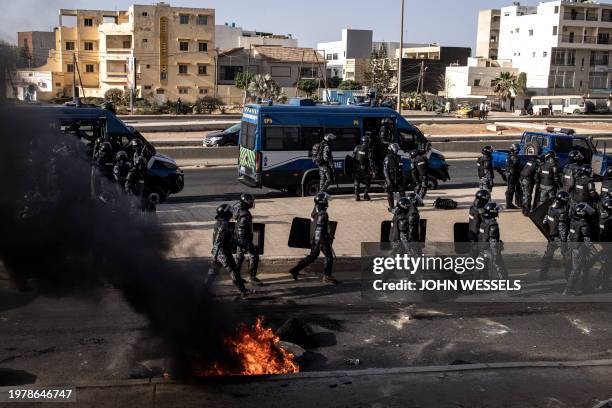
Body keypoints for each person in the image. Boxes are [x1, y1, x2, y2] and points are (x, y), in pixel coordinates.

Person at [289, 192, 337, 284]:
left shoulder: (315, 210)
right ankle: (327, 277)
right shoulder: (323, 214)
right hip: (320, 239)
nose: (327, 202)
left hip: (315, 238)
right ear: (323, 202)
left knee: (313, 256)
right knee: (329, 257)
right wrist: (323, 241)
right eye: (326, 200)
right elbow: (319, 229)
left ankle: (295, 270)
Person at [206, 204, 248, 297]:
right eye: (229, 212)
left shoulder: (219, 222)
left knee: (213, 272)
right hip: (222, 252)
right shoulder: (224, 224)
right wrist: (215, 254)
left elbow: (230, 238)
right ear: (225, 214)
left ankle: (204, 290)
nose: (231, 213)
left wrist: (240, 244)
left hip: (218, 252)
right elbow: (218, 241)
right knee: (234, 271)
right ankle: (243, 293)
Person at [538, 191, 571, 280]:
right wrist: (564, 242)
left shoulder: (550, 209)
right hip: (559, 238)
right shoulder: (562, 212)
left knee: (548, 255)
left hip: (551, 236)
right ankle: (569, 278)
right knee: (567, 257)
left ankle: (543, 274)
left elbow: (544, 222)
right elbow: (562, 228)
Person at [565, 203, 596, 295]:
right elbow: (587, 241)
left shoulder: (573, 221)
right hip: (580, 249)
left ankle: (586, 287)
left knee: (584, 268)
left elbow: (569, 237)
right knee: (576, 269)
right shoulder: (583, 224)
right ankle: (568, 289)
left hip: (574, 247)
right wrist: (595, 252)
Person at [234, 193, 262, 287]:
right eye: (250, 201)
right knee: (254, 256)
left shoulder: (240, 210)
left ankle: (236, 277)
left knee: (240, 257)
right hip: (243, 239)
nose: (252, 203)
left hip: (238, 238)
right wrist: (246, 243)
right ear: (246, 202)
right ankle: (252, 278)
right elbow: (241, 230)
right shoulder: (245, 214)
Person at [479, 202, 508, 279]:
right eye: (496, 210)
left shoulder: (484, 221)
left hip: (482, 249)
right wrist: (495, 255)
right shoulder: (493, 225)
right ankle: (509, 289)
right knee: (500, 268)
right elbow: (493, 242)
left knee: (478, 269)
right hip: (490, 250)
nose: (498, 211)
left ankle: (472, 289)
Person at [352, 133, 376, 201]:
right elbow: (371, 161)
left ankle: (357, 195)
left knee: (357, 181)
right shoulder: (368, 149)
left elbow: (353, 157)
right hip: (365, 168)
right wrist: (373, 171)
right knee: (368, 182)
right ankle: (365, 195)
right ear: (368, 141)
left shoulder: (356, 147)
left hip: (357, 168)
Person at [383, 143, 405, 212]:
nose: (397, 150)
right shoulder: (387, 158)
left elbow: (401, 169)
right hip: (391, 178)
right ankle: (391, 207)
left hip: (398, 178)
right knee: (390, 193)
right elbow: (385, 171)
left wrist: (403, 178)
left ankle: (401, 206)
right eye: (396, 149)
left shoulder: (399, 157)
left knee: (402, 192)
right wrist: (388, 181)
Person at [598, 198, 612, 290]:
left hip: (604, 243)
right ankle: (602, 283)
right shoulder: (608, 220)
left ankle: (602, 282)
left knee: (607, 264)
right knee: (607, 265)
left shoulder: (602, 217)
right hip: (608, 244)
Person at [505, 143, 522, 209]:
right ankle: (509, 204)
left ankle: (513, 203)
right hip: (512, 174)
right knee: (511, 189)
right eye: (517, 149)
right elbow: (516, 164)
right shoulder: (514, 156)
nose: (517, 151)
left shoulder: (510, 155)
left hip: (511, 174)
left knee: (512, 188)